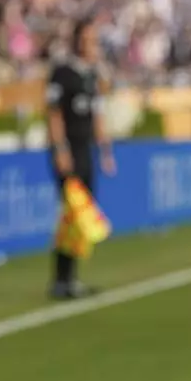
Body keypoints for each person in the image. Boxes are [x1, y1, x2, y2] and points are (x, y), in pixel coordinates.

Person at [45, 17, 117, 300]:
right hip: (69, 149)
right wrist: (60, 149)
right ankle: (62, 278)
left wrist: (106, 152)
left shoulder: (92, 75)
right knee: (71, 213)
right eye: (87, 40)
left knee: (80, 216)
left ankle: (70, 278)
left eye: (94, 40)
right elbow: (54, 114)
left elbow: (97, 115)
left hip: (86, 150)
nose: (91, 45)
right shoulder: (62, 73)